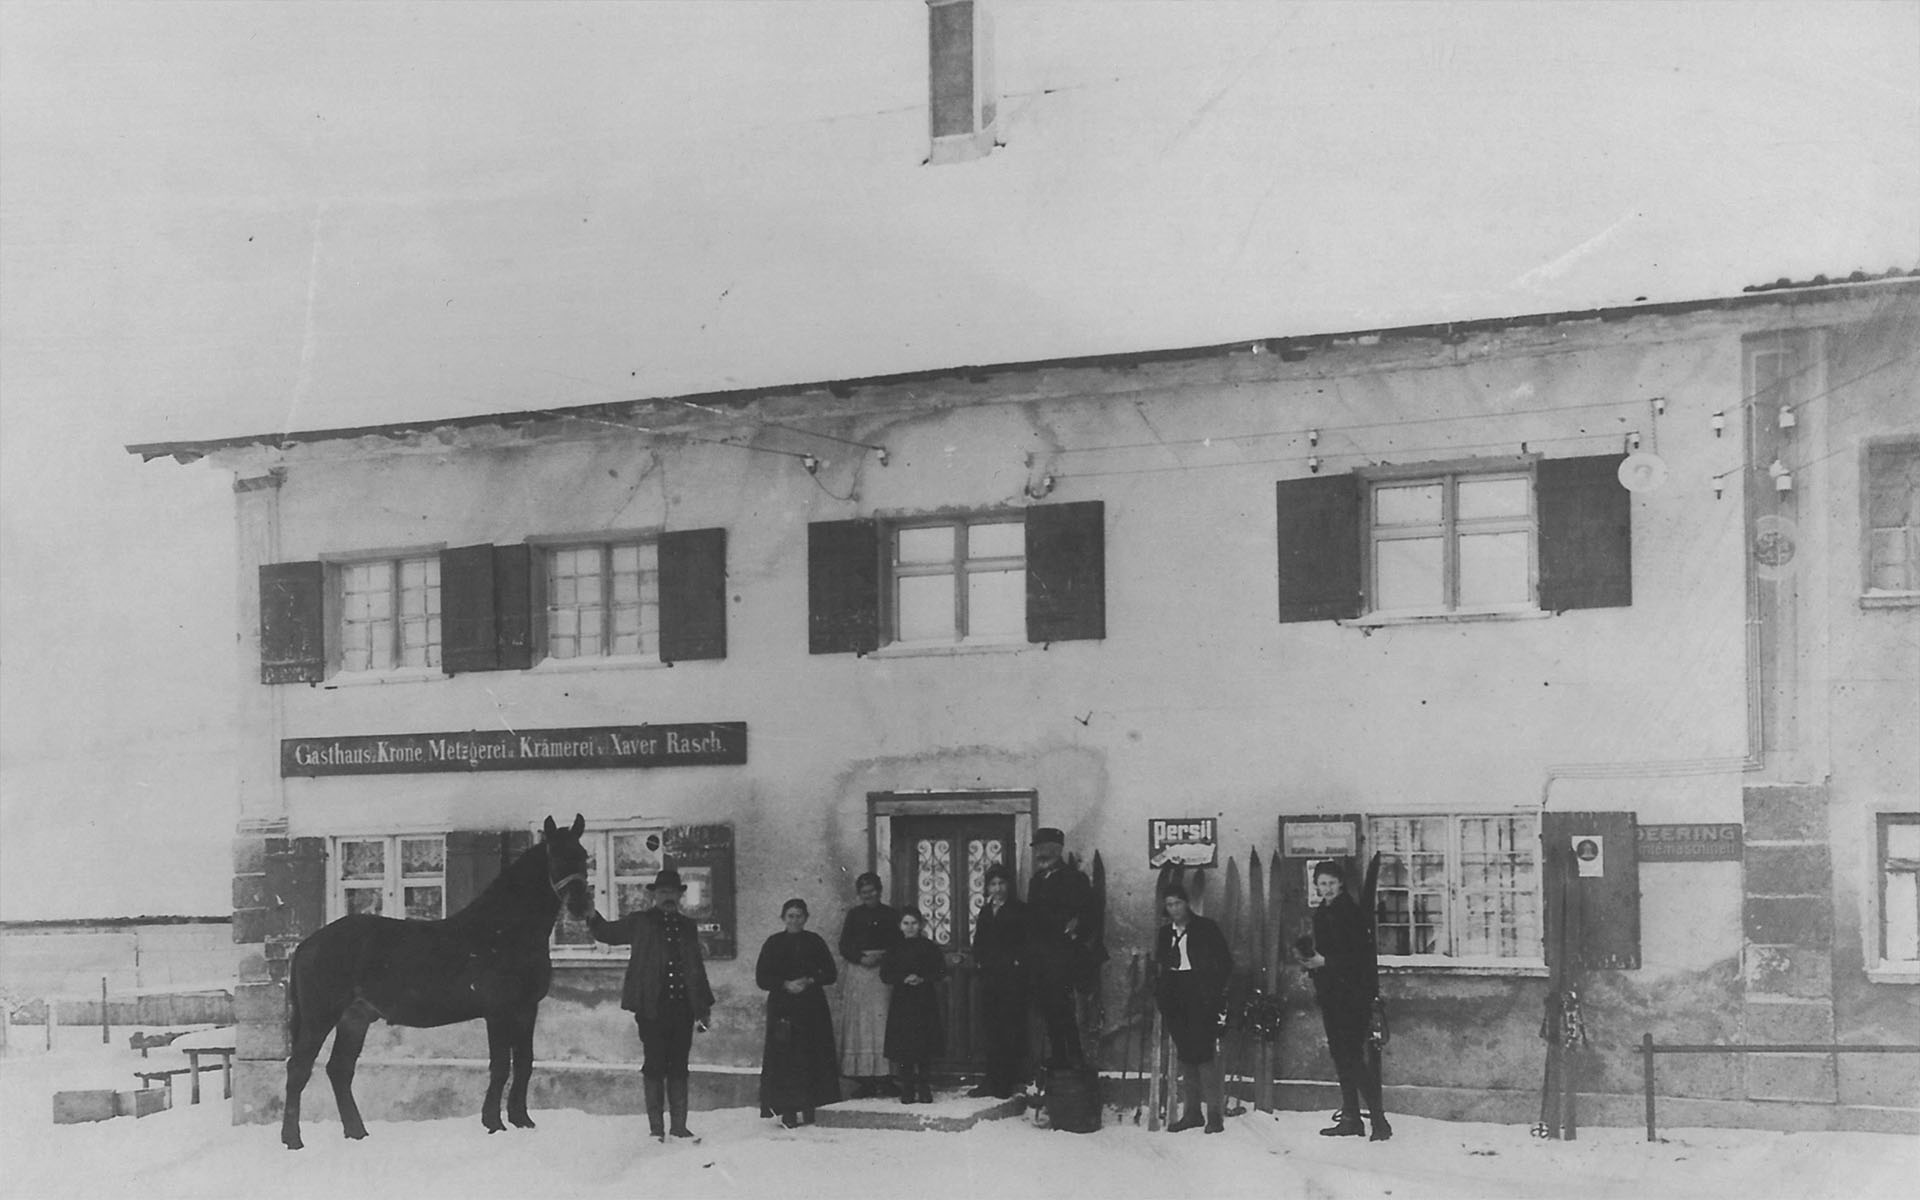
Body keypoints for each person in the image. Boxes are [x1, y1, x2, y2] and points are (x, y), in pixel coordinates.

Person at [588, 867, 714, 1142]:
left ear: (680, 896)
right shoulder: (640, 922)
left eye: (673, 892)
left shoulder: (687, 927)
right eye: (663, 892)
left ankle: (679, 1126)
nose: (668, 897)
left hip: (682, 1009)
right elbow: (607, 933)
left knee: (679, 1065)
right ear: (655, 895)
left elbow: (696, 968)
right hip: (652, 1010)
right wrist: (590, 914)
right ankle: (656, 1129)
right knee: (654, 1065)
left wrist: (703, 1009)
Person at [1301, 859, 1391, 1142]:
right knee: (1341, 1057)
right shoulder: (1322, 913)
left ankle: (1379, 1121)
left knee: (1352, 1058)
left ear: (1340, 884)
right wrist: (1310, 963)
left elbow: (1358, 958)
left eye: (1331, 883)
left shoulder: (1350, 913)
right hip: (1330, 993)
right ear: (1316, 885)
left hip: (1352, 996)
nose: (1326, 889)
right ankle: (1351, 1117)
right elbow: (1325, 951)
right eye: (1322, 884)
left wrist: (1324, 961)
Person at [754, 898, 841, 1128]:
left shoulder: (814, 941)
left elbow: (831, 973)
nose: (795, 920)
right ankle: (788, 1111)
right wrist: (785, 984)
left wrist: (810, 980)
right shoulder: (773, 943)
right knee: (785, 1059)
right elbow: (762, 978)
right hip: (783, 1009)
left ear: (806, 918)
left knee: (812, 1056)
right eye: (790, 916)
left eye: (799, 916)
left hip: (811, 1008)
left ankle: (812, 1106)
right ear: (783, 918)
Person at [1153, 883, 1233, 1133]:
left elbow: (1225, 962)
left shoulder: (1206, 928)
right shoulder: (1165, 933)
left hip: (1200, 993)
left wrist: (1213, 990)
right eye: (1169, 904)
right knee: (1186, 1053)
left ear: (1187, 903)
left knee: (1205, 1053)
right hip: (1175, 993)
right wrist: (1162, 993)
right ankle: (1192, 1113)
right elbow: (1161, 963)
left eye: (1178, 903)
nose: (1175, 908)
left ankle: (1214, 1115)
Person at [1025, 826, 1096, 1068]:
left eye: (1044, 850)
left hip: (1065, 956)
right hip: (1041, 958)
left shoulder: (1075, 879)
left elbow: (1089, 916)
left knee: (1065, 1008)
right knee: (1049, 1007)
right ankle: (1058, 1056)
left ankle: (1074, 1056)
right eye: (1038, 851)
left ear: (1057, 850)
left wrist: (1075, 929)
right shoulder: (1036, 882)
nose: (1040, 856)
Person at [836, 871, 902, 1098]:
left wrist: (883, 957)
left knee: (883, 1022)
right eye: (864, 892)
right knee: (861, 1024)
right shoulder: (854, 915)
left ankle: (886, 1078)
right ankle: (864, 1080)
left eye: (872, 891)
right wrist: (861, 958)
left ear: (879, 891)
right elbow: (844, 945)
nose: (868, 895)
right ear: (859, 894)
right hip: (860, 973)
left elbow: (899, 943)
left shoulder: (891, 915)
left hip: (883, 974)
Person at [968, 863, 1029, 1098]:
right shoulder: (985, 911)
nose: (997, 888)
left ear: (1009, 885)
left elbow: (1026, 943)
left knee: (1010, 1030)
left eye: (1001, 883)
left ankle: (1006, 1081)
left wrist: (1016, 964)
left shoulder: (1019, 910)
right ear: (987, 887)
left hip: (1011, 981)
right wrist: (980, 962)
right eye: (993, 884)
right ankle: (990, 1080)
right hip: (990, 980)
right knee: (991, 1030)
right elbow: (979, 942)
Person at [880, 908, 947, 1104]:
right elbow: (885, 974)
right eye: (906, 923)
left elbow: (940, 971)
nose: (910, 927)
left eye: (914, 923)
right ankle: (907, 1087)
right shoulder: (894, 948)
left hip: (924, 999)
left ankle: (924, 1086)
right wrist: (903, 978)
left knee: (924, 1043)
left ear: (921, 925)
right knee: (904, 1044)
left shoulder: (929, 947)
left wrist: (923, 978)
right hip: (902, 1000)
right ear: (900, 926)